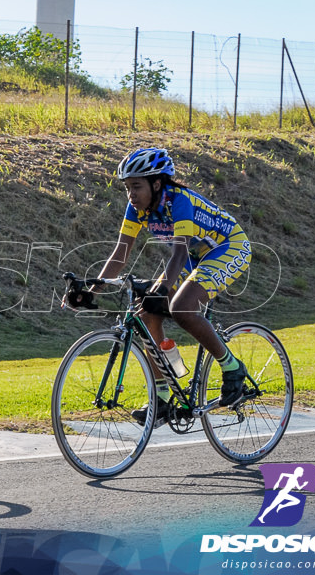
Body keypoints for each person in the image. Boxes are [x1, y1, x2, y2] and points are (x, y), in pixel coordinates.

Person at [71, 148, 251, 428]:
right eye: (127, 187)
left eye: (137, 186)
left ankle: (231, 366)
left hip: (228, 248)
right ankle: (164, 396)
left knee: (180, 307)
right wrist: (91, 288)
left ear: (157, 184)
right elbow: (120, 253)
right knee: (146, 315)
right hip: (194, 256)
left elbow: (178, 255)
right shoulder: (137, 208)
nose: (131, 194)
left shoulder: (179, 201)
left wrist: (163, 289)